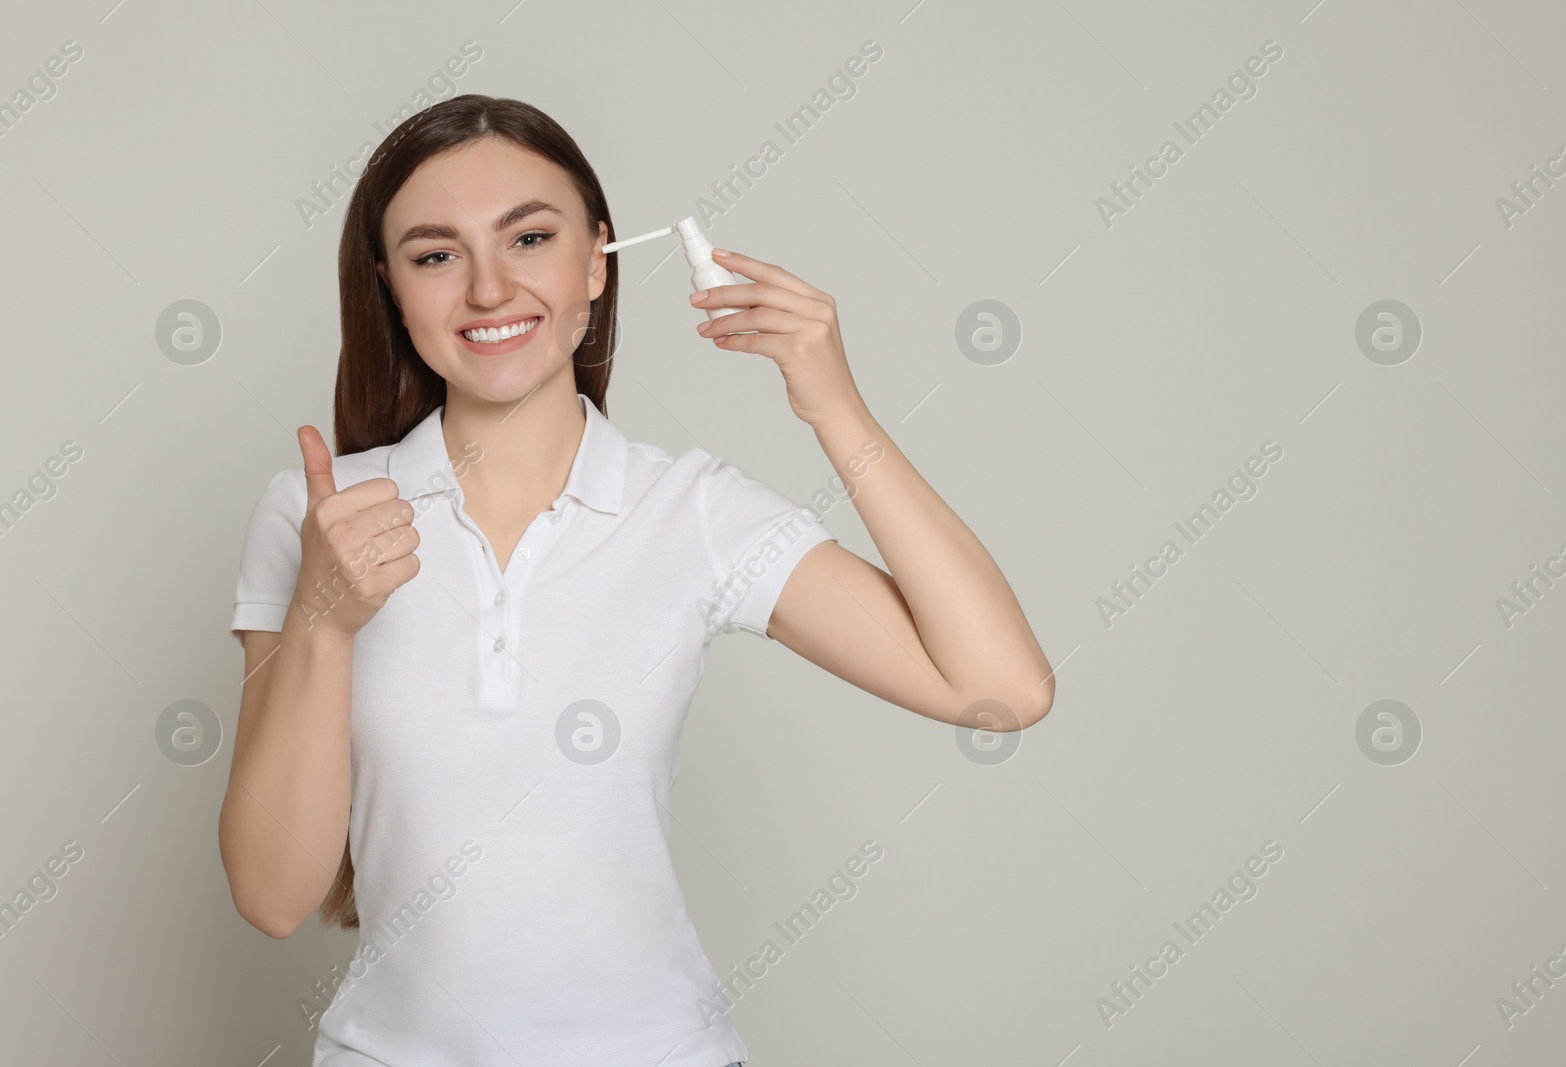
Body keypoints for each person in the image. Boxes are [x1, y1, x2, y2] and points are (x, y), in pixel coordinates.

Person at [218, 94, 1054, 1066]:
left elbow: (1001, 688)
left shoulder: (688, 510)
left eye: (529, 237)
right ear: (391, 289)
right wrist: (323, 622)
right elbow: (274, 895)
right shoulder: (316, 516)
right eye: (436, 254)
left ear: (597, 263)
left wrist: (834, 407)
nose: (489, 289)